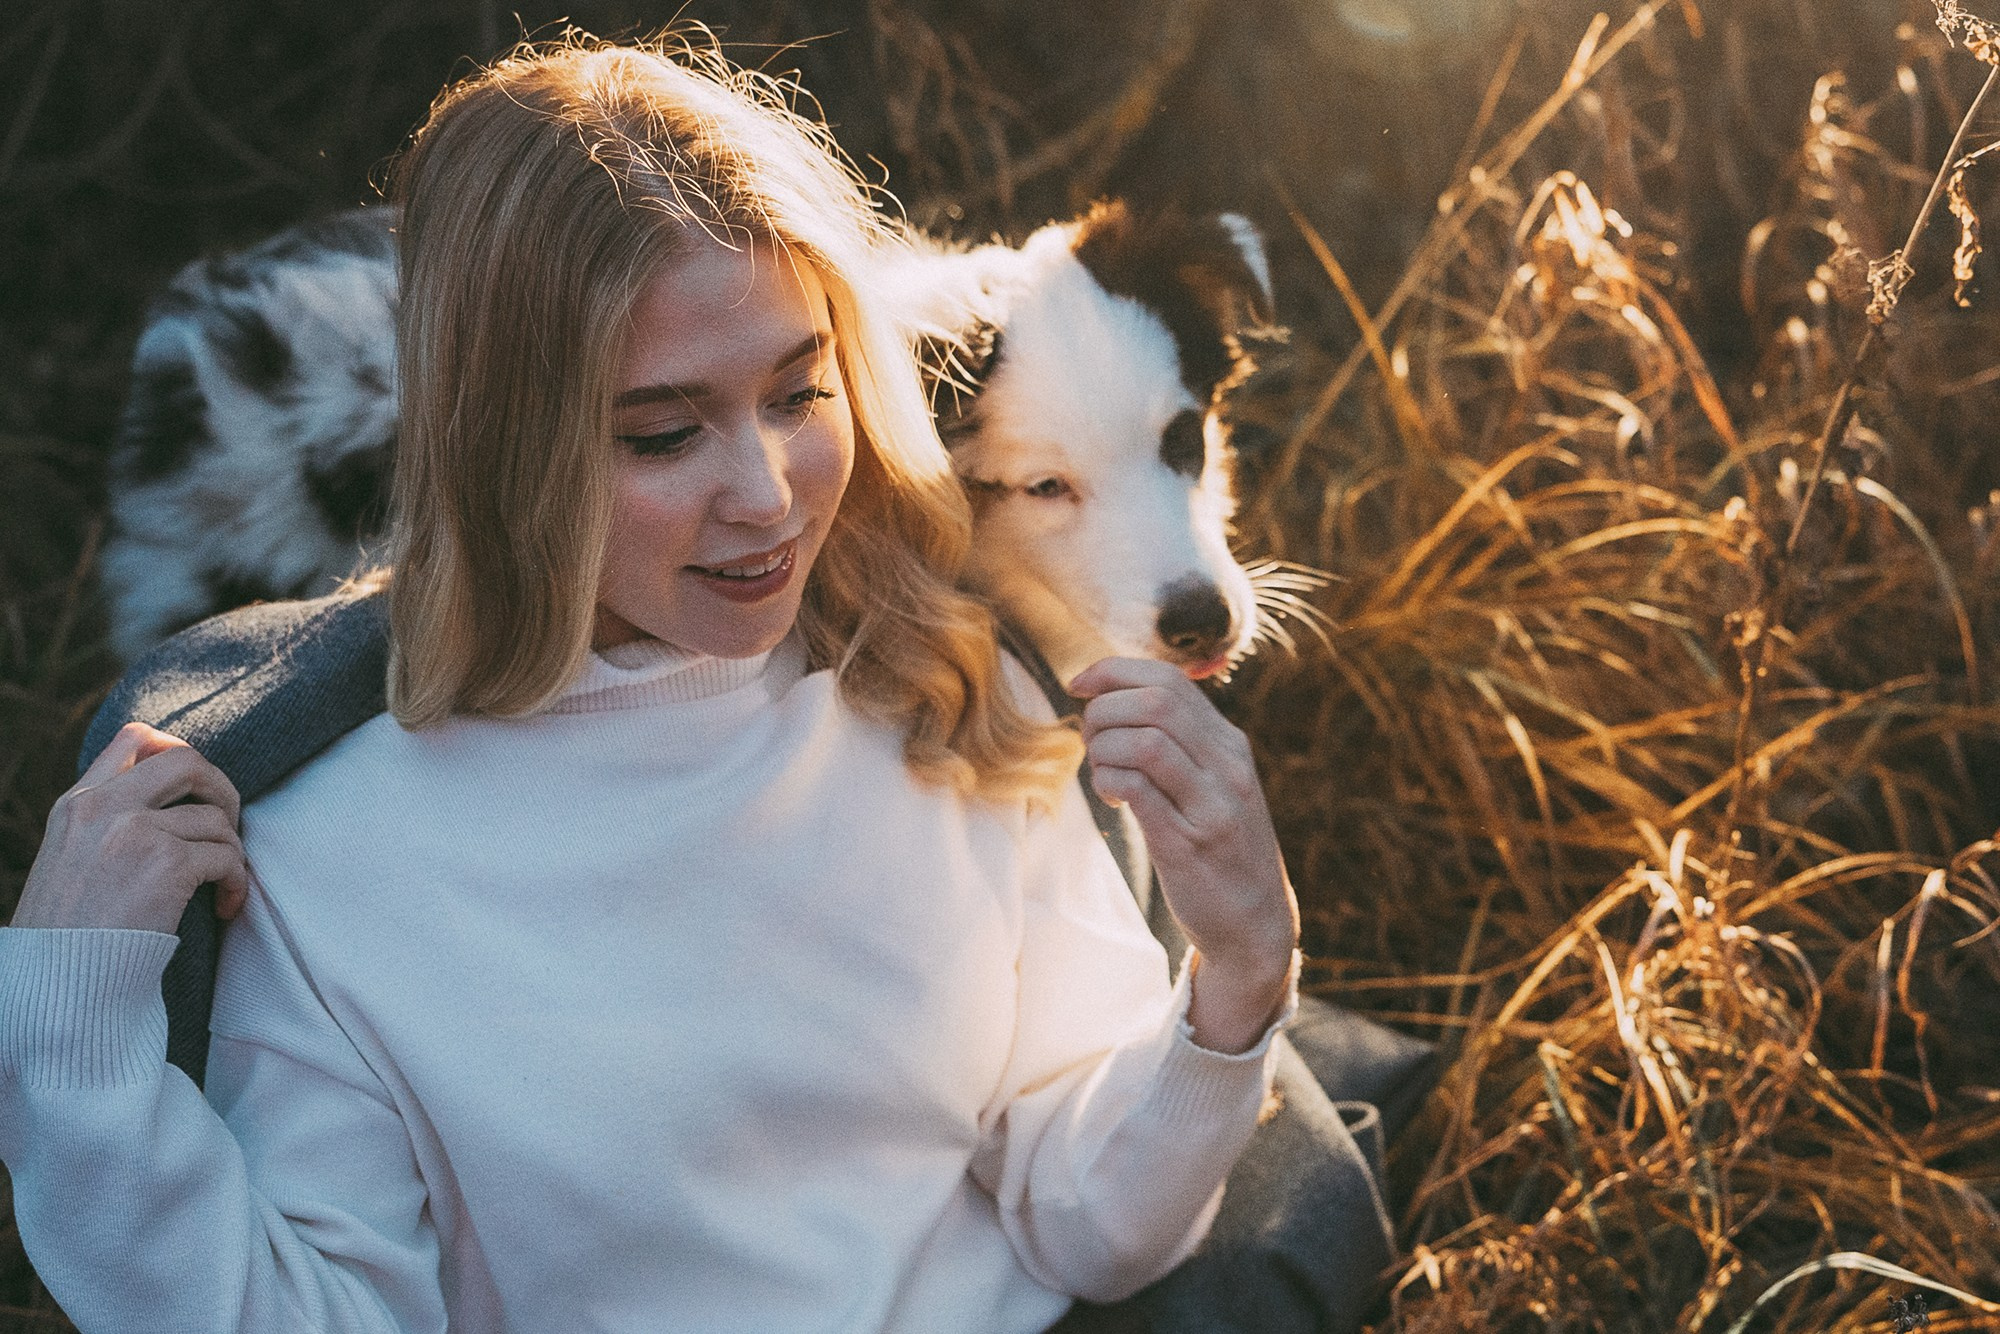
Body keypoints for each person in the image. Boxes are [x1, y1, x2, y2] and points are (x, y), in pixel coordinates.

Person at [0, 35, 1308, 1332]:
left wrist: (1238, 980)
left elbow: (1087, 1216)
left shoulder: (953, 694)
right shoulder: (325, 855)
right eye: (665, 432)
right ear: (503, 444)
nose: (766, 494)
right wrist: (73, 1032)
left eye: (801, 391)